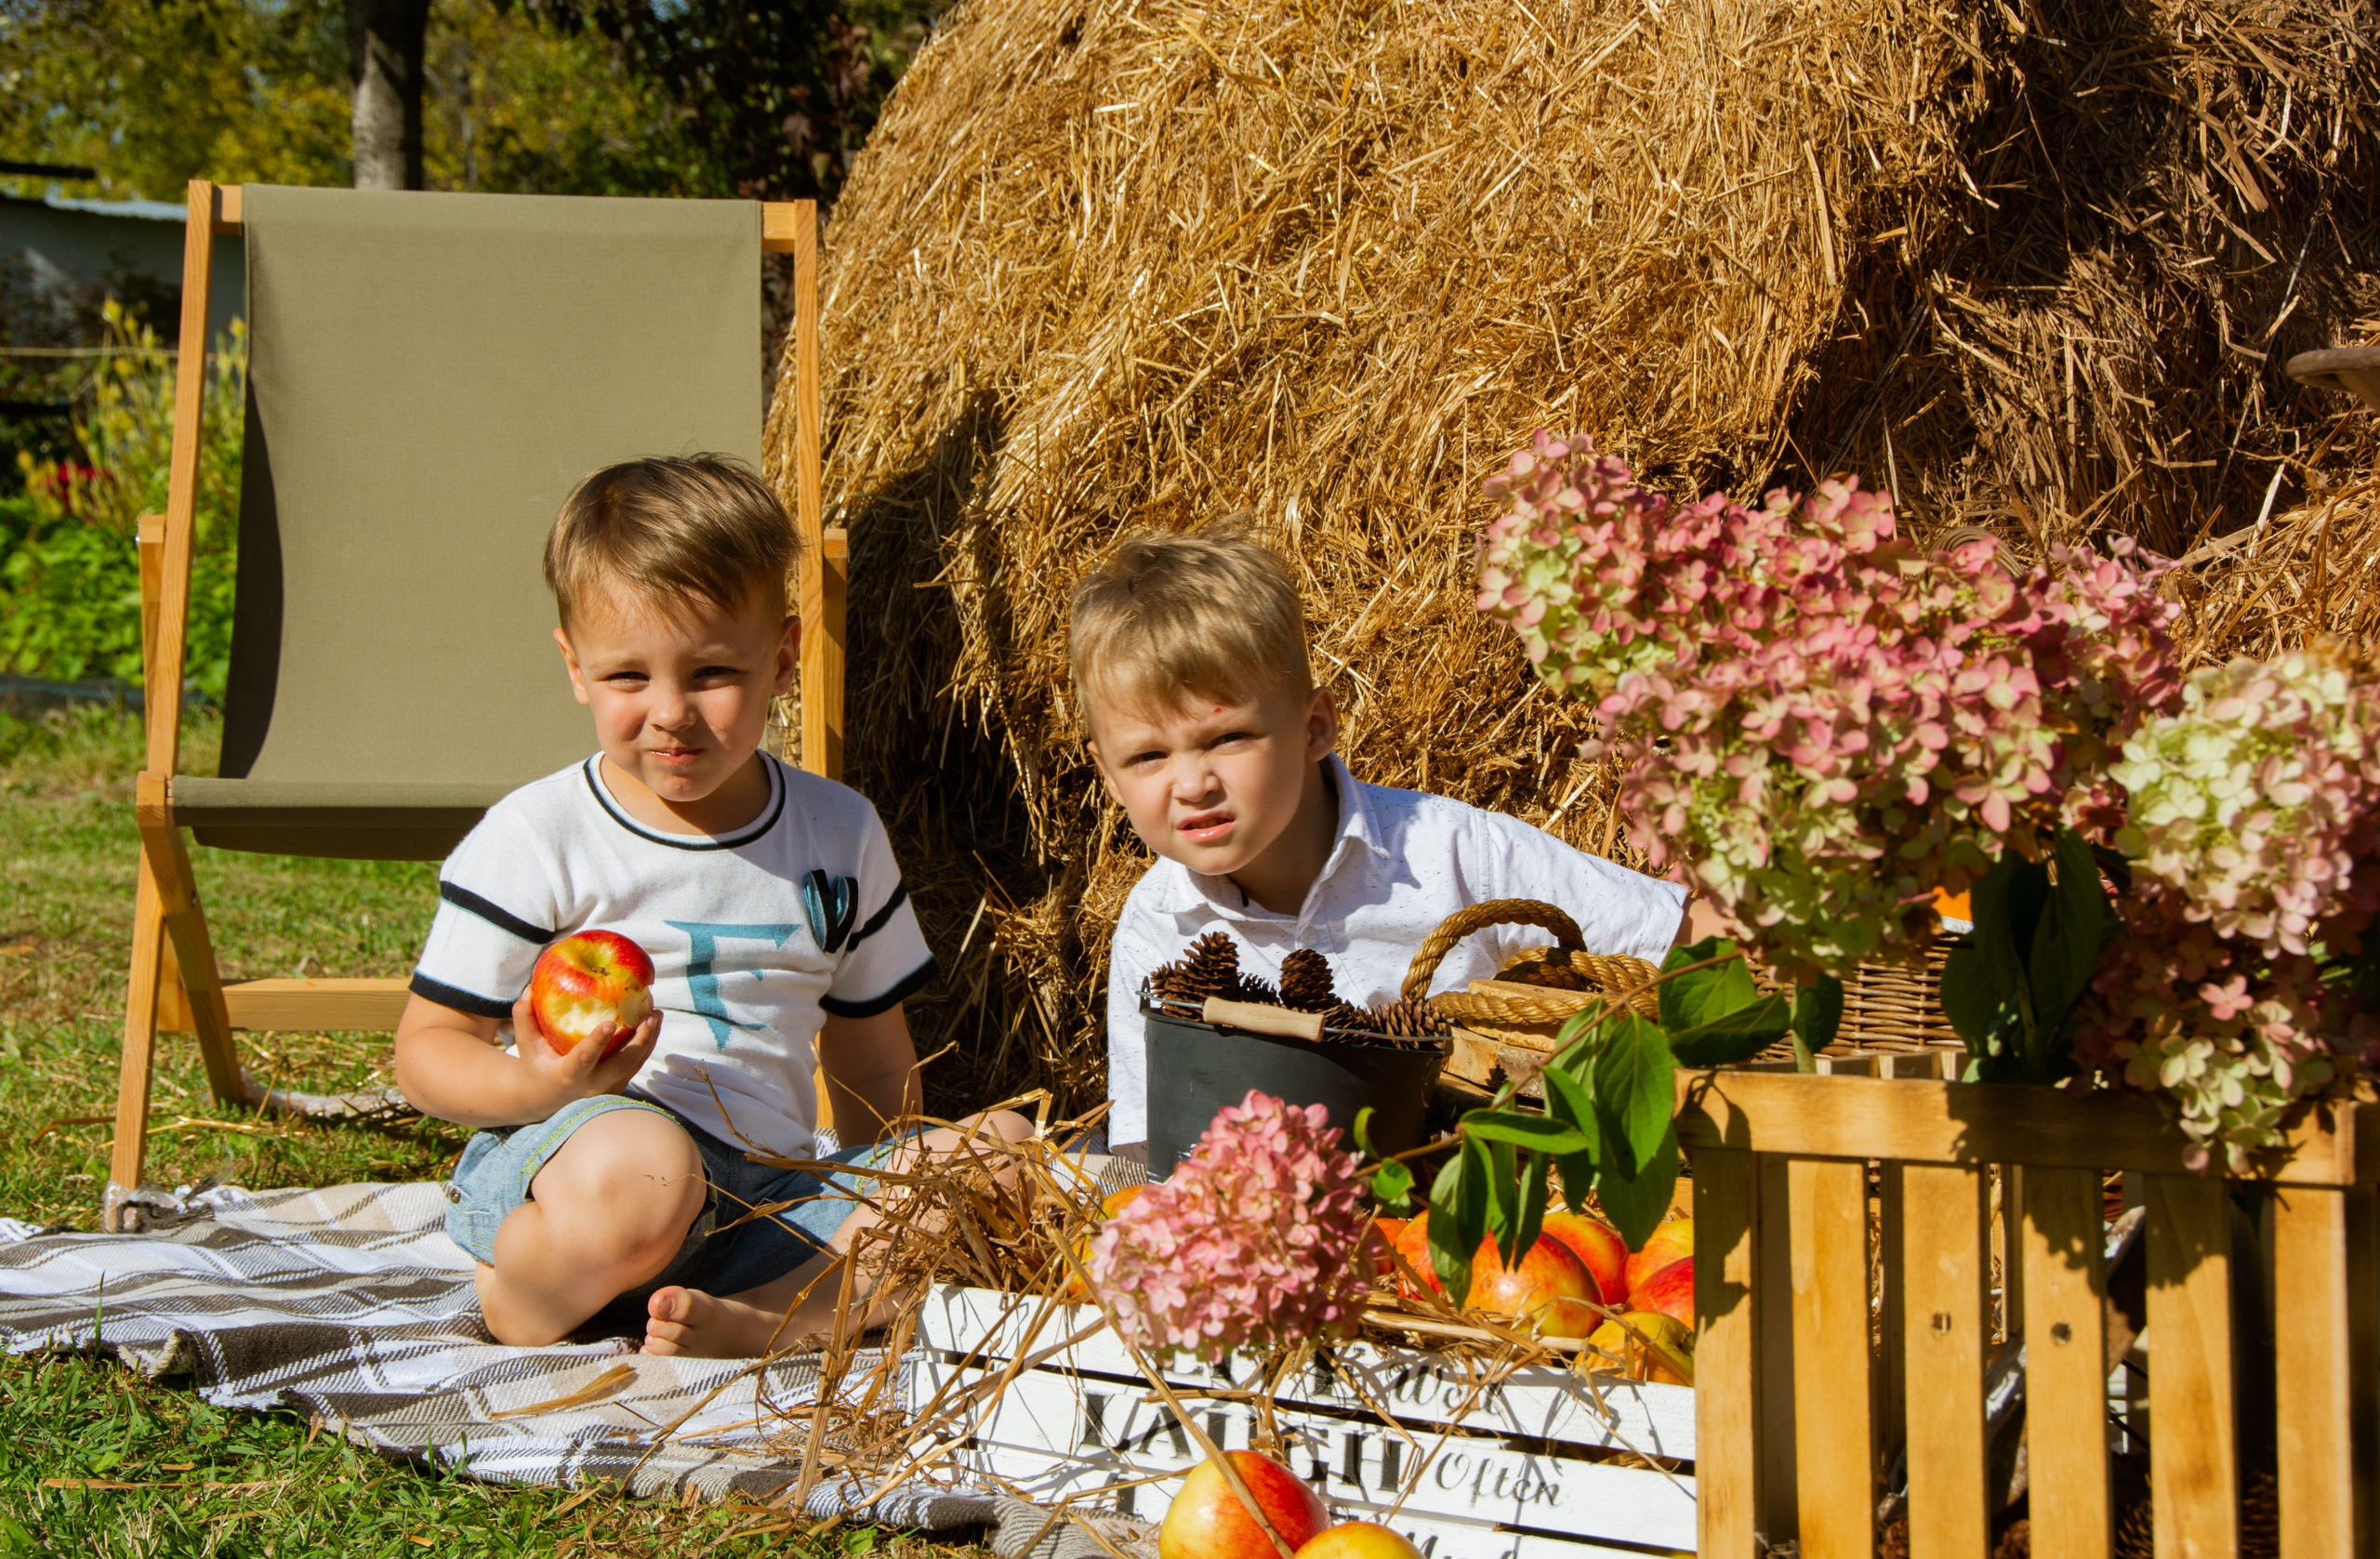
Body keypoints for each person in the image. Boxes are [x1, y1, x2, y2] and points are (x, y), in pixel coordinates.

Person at [393, 455, 1028, 1357]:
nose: (670, 712)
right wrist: (536, 1085)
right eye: (627, 678)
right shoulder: (543, 833)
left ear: (782, 658)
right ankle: (527, 1293)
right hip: (598, 1162)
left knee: (997, 1152)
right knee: (649, 1175)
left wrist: (889, 1192)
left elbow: (869, 1054)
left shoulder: (836, 832)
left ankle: (783, 1314)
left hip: (773, 1200)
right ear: (574, 668)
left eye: (710, 674)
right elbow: (426, 1051)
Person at [1072, 535, 1712, 1162]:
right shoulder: (1157, 925)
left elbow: (1677, 937)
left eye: (1228, 738)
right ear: (1107, 774)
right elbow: (1150, 1151)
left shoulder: (1450, 851)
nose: (1192, 784)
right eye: (1149, 756)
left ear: (1314, 727)